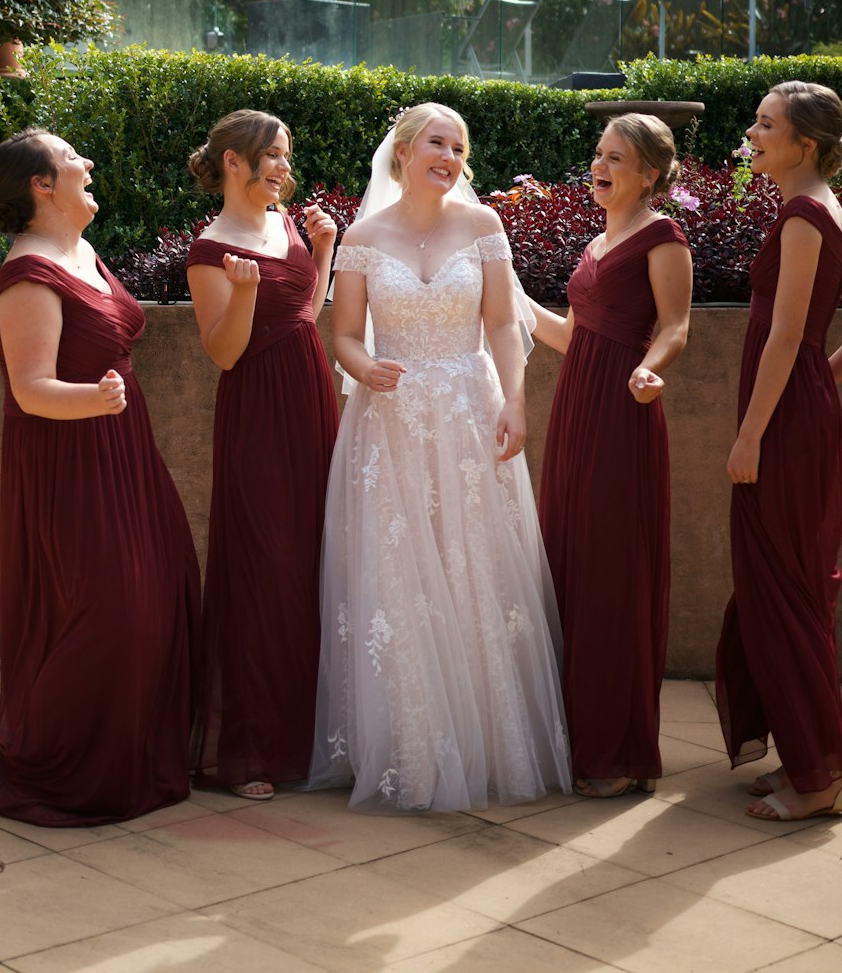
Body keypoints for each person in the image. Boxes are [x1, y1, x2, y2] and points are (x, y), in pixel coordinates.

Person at [308, 102, 570, 811]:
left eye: (458, 146)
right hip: (389, 421)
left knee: (473, 566)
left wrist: (514, 401)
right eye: (436, 141)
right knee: (398, 574)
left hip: (466, 411)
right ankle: (409, 747)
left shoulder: (484, 227)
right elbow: (348, 336)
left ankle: (489, 739)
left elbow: (503, 326)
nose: (449, 155)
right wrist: (364, 369)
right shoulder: (362, 237)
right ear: (402, 151)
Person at [0, 129, 200, 827]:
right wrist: (94, 400)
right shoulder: (28, 275)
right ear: (41, 185)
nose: (90, 162)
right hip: (70, 460)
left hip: (123, 449)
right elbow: (30, 388)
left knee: (160, 594)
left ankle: (126, 762)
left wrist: (109, 406)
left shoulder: (80, 251)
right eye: (74, 156)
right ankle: (52, 764)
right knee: (109, 611)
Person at [717, 81, 842, 823]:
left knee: (782, 590)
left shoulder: (800, 216)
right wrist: (812, 394)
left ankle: (822, 778)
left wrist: (756, 431)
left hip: (782, 431)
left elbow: (788, 338)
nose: (752, 133)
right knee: (792, 585)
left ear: (804, 144)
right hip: (803, 419)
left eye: (766, 124)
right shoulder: (830, 210)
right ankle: (805, 750)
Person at [529, 115, 692, 799]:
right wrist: (506, 294)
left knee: (610, 575)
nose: (599, 165)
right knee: (569, 563)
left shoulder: (663, 237)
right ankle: (577, 739)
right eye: (598, 153)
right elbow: (574, 337)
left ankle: (619, 750)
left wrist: (651, 370)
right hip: (575, 410)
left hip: (624, 414)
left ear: (649, 174)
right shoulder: (598, 240)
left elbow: (676, 326)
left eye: (615, 157)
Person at [187, 110, 338, 801]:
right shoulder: (207, 248)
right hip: (256, 415)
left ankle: (307, 740)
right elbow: (224, 352)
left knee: (313, 561)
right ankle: (248, 750)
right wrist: (242, 292)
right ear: (232, 163)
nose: (282, 167)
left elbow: (305, 311)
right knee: (262, 568)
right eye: (270, 156)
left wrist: (324, 251)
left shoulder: (285, 225)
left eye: (285, 155)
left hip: (310, 401)